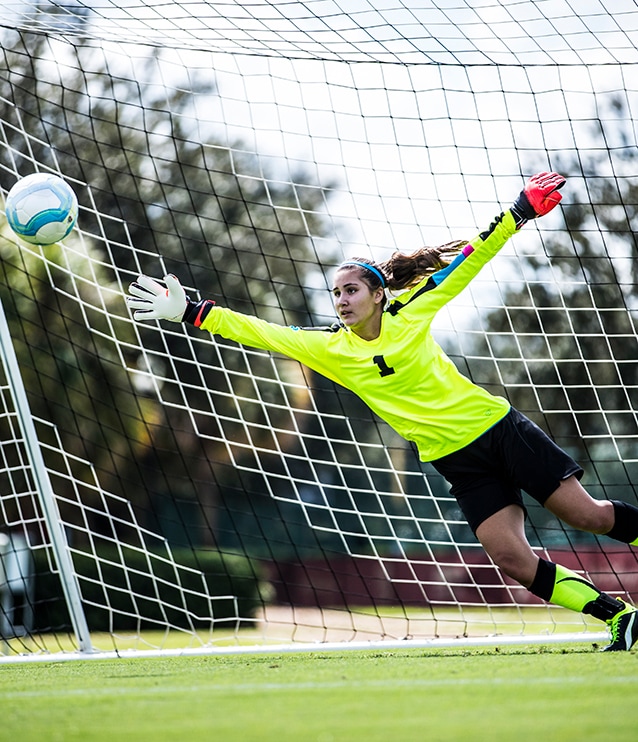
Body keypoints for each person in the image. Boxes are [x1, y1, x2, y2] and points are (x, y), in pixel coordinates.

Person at [127, 172, 638, 651]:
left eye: (351, 290)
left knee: (586, 515)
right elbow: (262, 332)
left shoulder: (410, 311)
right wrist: (193, 312)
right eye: (336, 293)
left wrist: (520, 211)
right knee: (510, 557)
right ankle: (619, 616)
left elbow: (471, 259)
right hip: (455, 460)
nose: (342, 300)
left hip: (500, 430)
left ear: (376, 294)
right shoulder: (330, 348)